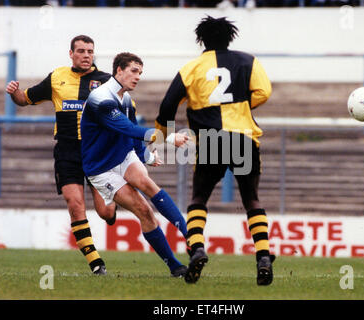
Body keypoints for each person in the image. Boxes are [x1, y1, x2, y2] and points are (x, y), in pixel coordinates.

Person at [155, 16, 276, 285]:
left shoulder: (191, 68)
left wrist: (161, 136)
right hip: (244, 138)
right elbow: (264, 92)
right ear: (230, 37)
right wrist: (243, 106)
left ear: (202, 40)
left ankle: (197, 248)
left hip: (211, 140)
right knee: (251, 199)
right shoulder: (248, 61)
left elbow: (167, 106)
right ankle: (263, 256)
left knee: (199, 197)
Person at [5, 35, 117, 275]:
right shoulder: (57, 77)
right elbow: (25, 99)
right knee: (75, 204)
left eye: (90, 51)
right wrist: (14, 93)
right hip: (67, 150)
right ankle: (96, 262)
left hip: (96, 151)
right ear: (71, 54)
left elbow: (122, 115)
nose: (87, 55)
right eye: (81, 51)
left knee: (105, 212)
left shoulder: (106, 82)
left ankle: (113, 205)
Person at [81, 52, 189, 277]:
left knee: (146, 183)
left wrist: (146, 156)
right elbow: (129, 129)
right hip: (101, 169)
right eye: (133, 71)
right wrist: (168, 138)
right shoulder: (100, 98)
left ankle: (192, 238)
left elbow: (131, 135)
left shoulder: (126, 99)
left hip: (122, 155)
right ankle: (174, 265)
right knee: (144, 211)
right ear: (118, 71)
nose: (138, 77)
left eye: (140, 72)